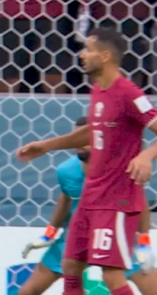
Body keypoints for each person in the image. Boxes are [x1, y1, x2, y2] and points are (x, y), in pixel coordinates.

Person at [17, 27, 157, 295]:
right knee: (71, 265)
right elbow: (93, 130)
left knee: (112, 274)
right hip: (92, 196)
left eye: (88, 49)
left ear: (105, 56)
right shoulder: (98, 91)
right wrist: (46, 146)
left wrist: (146, 155)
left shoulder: (129, 94)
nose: (82, 54)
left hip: (115, 199)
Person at [18, 118, 157, 295]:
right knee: (28, 291)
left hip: (114, 233)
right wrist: (49, 234)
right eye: (77, 138)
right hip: (76, 235)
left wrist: (144, 242)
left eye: (85, 139)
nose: (80, 145)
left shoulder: (121, 168)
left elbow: (140, 202)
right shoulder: (66, 170)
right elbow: (67, 197)